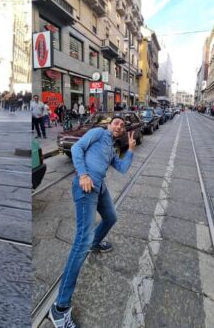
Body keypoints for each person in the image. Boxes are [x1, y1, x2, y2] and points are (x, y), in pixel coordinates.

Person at [49, 119, 136, 328]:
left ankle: (96, 243)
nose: (119, 127)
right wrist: (83, 174)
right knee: (81, 242)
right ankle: (59, 308)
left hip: (100, 187)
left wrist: (130, 150)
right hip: (85, 187)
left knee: (111, 217)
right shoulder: (98, 133)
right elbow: (78, 148)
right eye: (116, 123)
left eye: (122, 127)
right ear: (109, 125)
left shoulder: (112, 148)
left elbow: (122, 168)